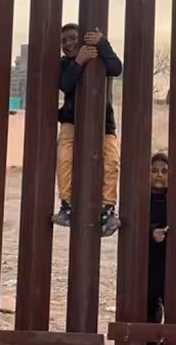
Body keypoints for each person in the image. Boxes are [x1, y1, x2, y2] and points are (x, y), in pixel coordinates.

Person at [52, 22, 123, 236]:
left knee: (111, 161)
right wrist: (79, 62)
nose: (68, 44)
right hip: (71, 120)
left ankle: (108, 208)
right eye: (63, 41)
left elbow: (117, 67)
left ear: (83, 38)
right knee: (64, 156)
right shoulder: (64, 64)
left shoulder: (100, 58)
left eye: (73, 38)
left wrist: (102, 43)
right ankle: (67, 205)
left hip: (103, 122)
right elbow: (64, 83)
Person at [146, 152, 169, 345]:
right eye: (153, 171)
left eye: (163, 171)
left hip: (170, 268)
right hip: (146, 268)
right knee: (149, 320)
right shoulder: (141, 199)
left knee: (173, 321)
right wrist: (151, 233)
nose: (158, 175)